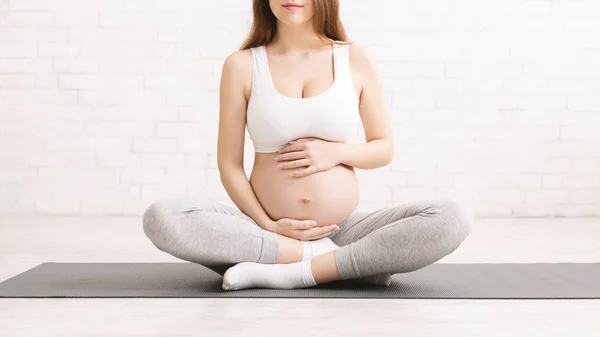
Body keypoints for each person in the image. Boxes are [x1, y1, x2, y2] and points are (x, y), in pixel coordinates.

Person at [142, 0, 474, 291]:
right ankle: (334, 264)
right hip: (268, 233)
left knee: (451, 218)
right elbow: (230, 164)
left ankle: (297, 272)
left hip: (343, 231)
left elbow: (383, 147)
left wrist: (337, 152)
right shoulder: (242, 65)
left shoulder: (354, 58)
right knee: (163, 217)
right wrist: (267, 225)